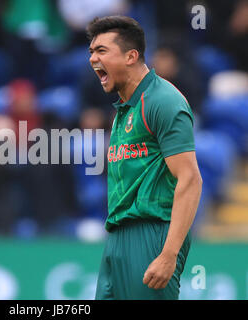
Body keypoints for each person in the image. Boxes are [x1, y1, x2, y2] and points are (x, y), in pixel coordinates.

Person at [86, 16, 202, 299]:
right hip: (116, 238)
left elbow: (190, 179)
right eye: (91, 51)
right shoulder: (124, 109)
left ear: (131, 56)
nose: (92, 59)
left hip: (151, 235)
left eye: (101, 50)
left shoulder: (163, 101)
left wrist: (168, 254)